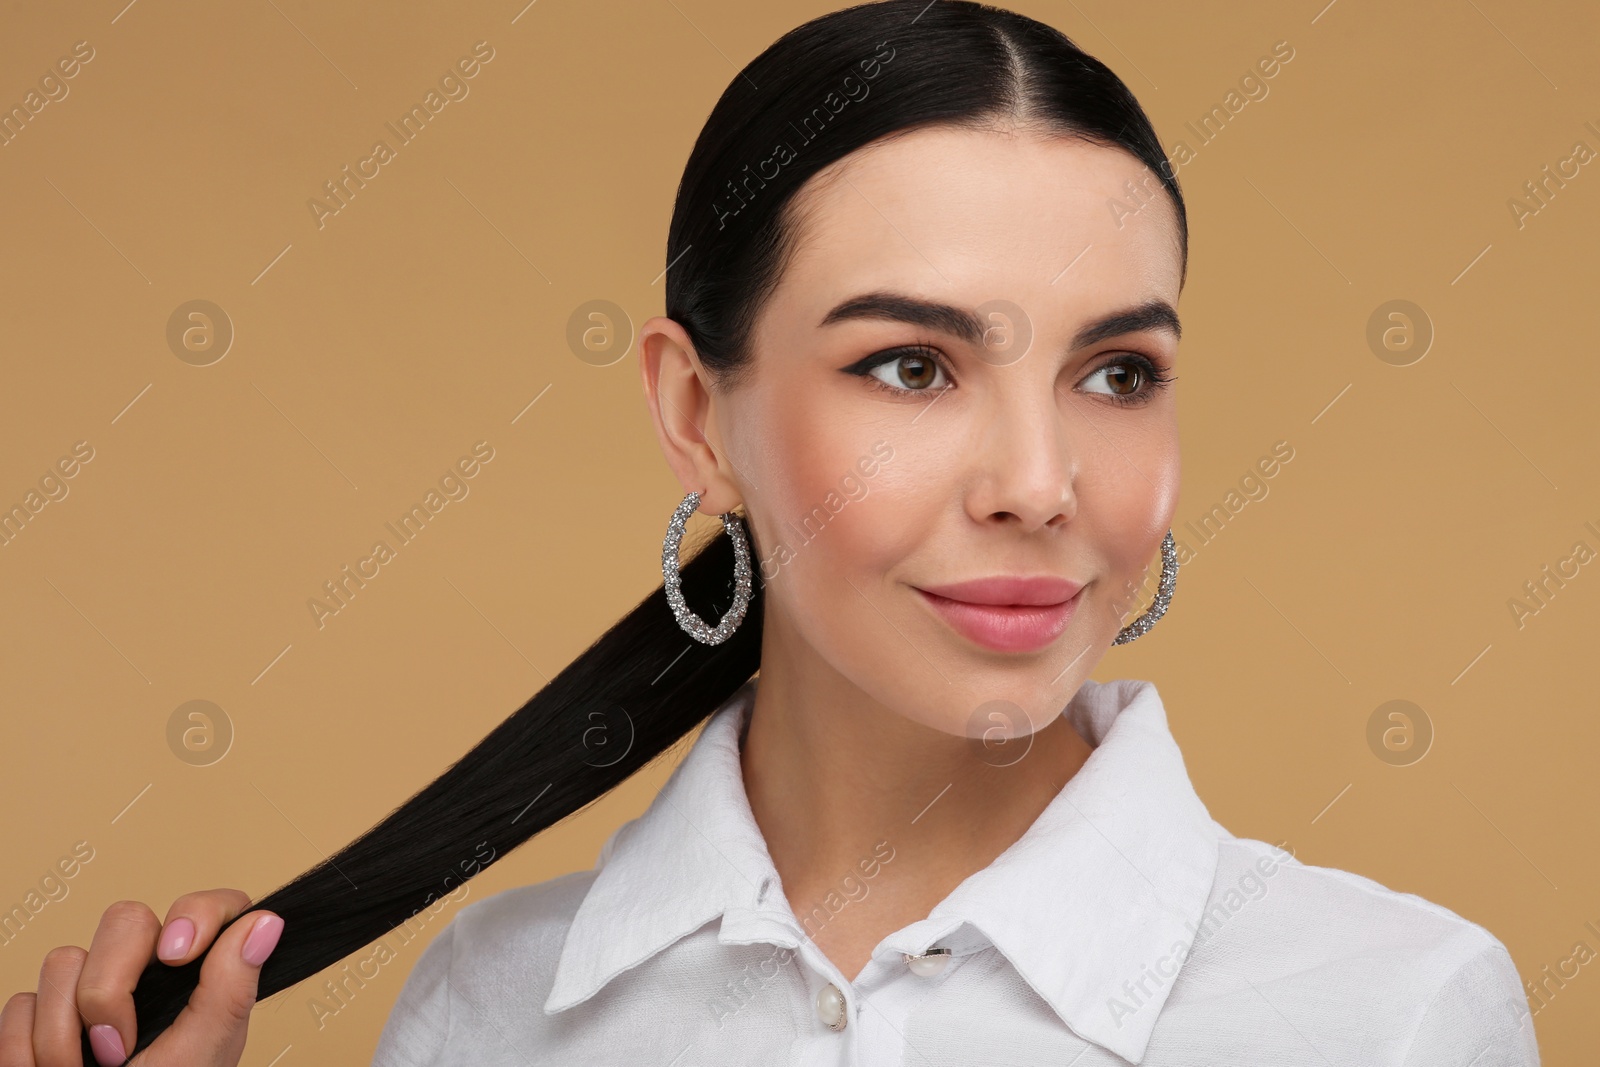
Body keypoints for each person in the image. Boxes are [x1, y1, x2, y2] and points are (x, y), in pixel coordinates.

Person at [0, 2, 1542, 1065]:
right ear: (696, 416)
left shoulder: (1397, 1012)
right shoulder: (491, 1011)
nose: (1039, 479)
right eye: (911, 367)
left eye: (1115, 373)